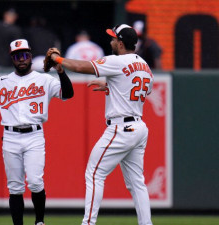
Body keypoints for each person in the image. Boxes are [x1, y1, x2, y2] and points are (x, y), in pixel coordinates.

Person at [47, 24, 154, 225]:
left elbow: (80, 67)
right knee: (137, 183)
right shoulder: (145, 66)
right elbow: (143, 91)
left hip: (121, 128)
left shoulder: (117, 60)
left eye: (114, 38)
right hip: (139, 127)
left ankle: (88, 223)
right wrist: (111, 85)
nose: (111, 41)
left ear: (121, 43)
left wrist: (57, 59)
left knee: (94, 173)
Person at [0, 39, 74, 225]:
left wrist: (61, 71)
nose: (21, 59)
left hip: (34, 135)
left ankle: (39, 221)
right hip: (10, 137)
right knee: (15, 187)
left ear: (30, 56)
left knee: (36, 182)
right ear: (12, 58)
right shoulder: (3, 81)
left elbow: (68, 93)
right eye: (17, 56)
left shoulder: (44, 79)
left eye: (24, 55)